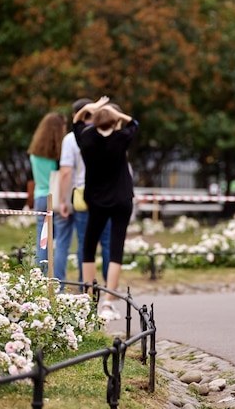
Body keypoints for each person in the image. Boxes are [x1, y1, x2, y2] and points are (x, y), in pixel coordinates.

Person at [73, 97, 138, 321]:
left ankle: (89, 298)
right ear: (114, 121)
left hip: (96, 200)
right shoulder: (121, 139)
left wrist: (90, 108)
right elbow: (134, 124)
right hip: (121, 198)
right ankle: (109, 303)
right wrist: (117, 115)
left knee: (89, 246)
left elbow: (77, 120)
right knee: (116, 247)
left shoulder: (87, 139)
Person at [56, 99, 111, 289]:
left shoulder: (71, 139)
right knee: (107, 242)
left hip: (83, 195)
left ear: (75, 115)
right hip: (107, 194)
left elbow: (66, 172)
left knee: (85, 243)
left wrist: (63, 200)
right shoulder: (106, 131)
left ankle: (85, 286)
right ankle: (109, 285)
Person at [27, 112, 67, 268]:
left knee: (42, 241)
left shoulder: (35, 153)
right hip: (56, 198)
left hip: (39, 197)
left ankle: (40, 277)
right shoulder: (59, 154)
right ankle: (57, 280)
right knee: (62, 241)